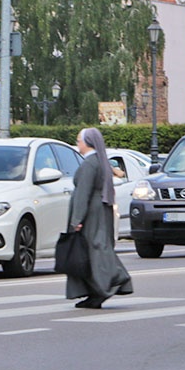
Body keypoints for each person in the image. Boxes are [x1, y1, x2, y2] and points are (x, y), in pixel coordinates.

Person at [67, 128, 133, 308]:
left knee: (94, 250)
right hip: (100, 209)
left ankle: (112, 281)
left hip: (91, 212)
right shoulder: (99, 160)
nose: (77, 143)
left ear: (87, 142)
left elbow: (83, 192)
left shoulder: (90, 163)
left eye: (79, 140)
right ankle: (96, 291)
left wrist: (77, 220)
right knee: (96, 249)